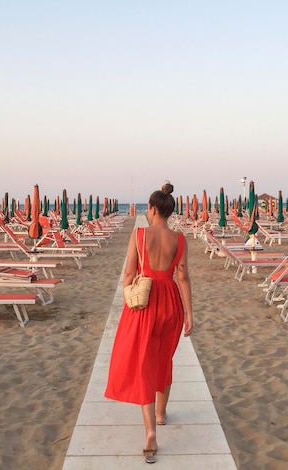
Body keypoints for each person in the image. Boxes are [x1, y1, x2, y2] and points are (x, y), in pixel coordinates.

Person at [104, 182, 193, 464]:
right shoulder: (180, 240)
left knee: (143, 363)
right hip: (171, 303)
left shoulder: (140, 235)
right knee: (163, 359)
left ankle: (151, 432)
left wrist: (130, 296)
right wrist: (190, 313)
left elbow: (129, 274)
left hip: (145, 303)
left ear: (152, 210)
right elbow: (183, 277)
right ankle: (161, 413)